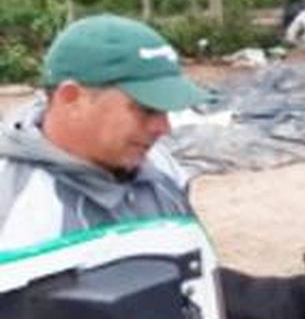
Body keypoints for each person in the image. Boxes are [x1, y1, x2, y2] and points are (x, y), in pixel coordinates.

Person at [0, 14, 208, 249]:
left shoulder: (159, 165)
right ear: (72, 99)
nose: (163, 128)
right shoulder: (18, 215)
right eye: (147, 109)